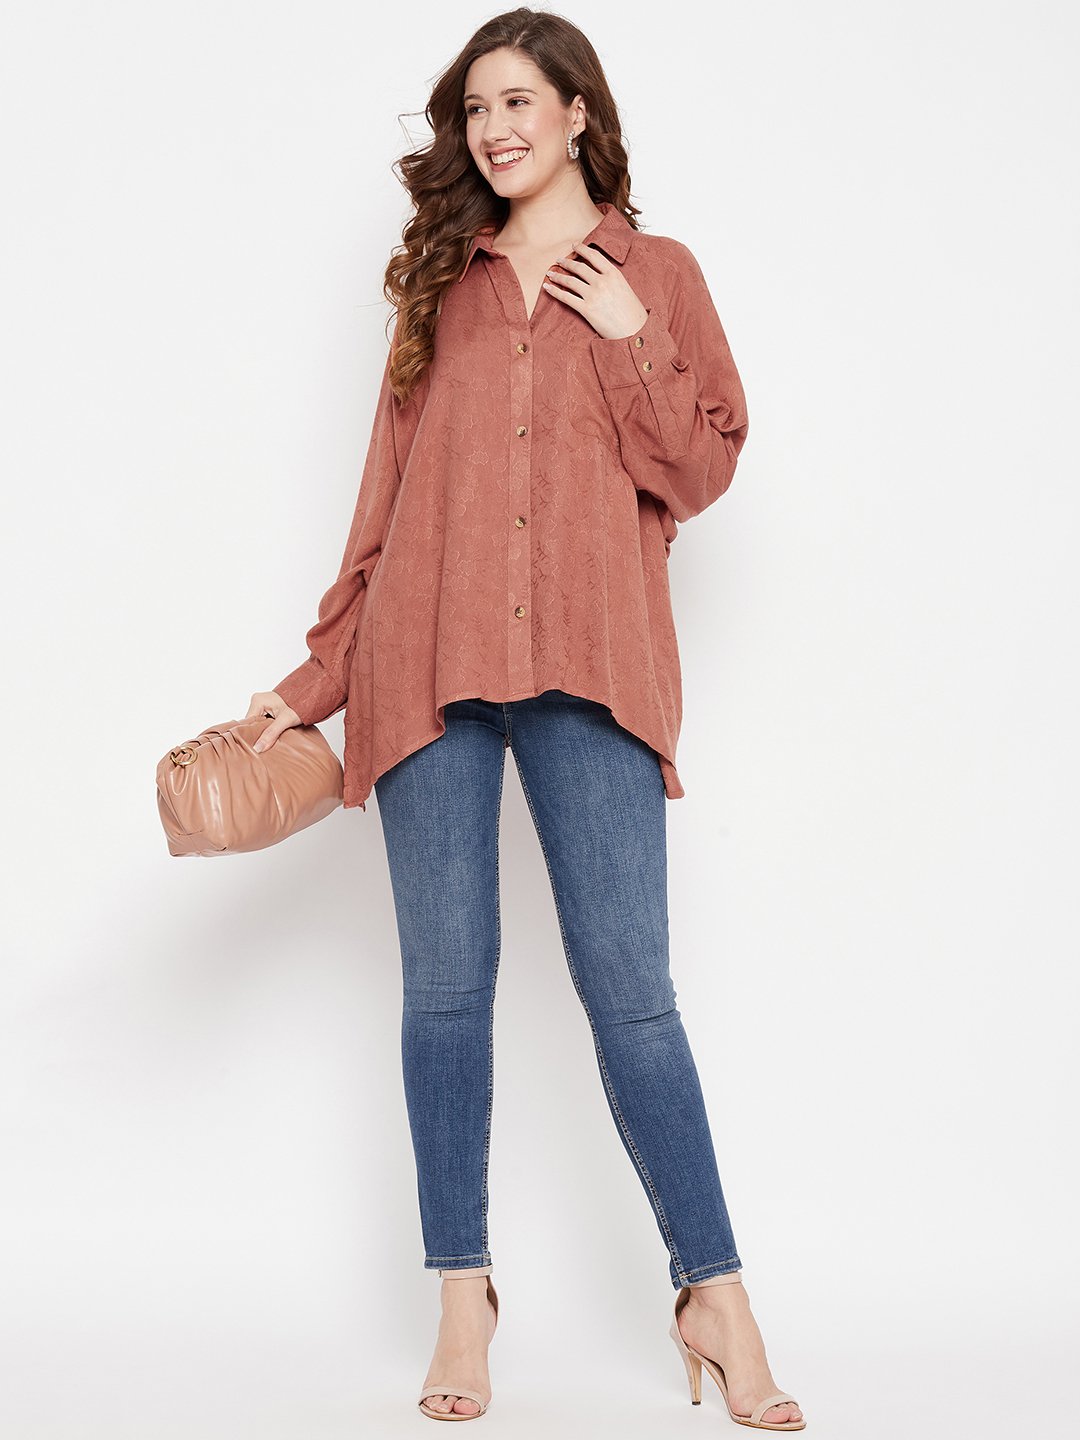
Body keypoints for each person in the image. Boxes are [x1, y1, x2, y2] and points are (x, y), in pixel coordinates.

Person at [246, 7, 805, 1430]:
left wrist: (627, 335)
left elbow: (699, 471)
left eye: (516, 102)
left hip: (592, 669)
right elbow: (384, 507)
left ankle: (715, 1293)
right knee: (444, 998)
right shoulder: (441, 289)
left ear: (576, 115)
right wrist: (309, 685)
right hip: (425, 665)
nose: (493, 129)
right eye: (475, 109)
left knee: (633, 1000)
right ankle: (463, 1295)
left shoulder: (658, 276)